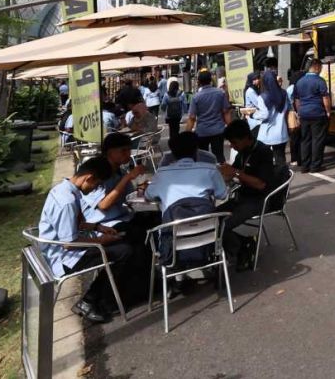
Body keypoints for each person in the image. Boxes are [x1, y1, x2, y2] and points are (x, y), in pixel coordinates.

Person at [37, 156, 130, 323]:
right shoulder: (67, 201)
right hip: (62, 258)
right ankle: (88, 301)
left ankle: (104, 297)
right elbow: (69, 244)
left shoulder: (66, 189)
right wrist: (102, 241)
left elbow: (78, 223)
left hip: (62, 247)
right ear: (88, 178)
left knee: (121, 243)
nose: (95, 189)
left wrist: (98, 228)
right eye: (96, 184)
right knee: (123, 251)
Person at [145, 132, 229, 284]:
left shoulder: (162, 173)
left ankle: (175, 278)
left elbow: (149, 196)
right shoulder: (209, 169)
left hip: (173, 243)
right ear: (196, 149)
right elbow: (223, 195)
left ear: (173, 153)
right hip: (208, 240)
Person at [218, 119, 281, 270]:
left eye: (234, 142)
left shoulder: (263, 152)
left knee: (221, 225)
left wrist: (236, 173)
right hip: (241, 197)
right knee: (209, 219)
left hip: (258, 200)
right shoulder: (242, 152)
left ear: (246, 137)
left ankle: (242, 248)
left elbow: (261, 184)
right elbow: (232, 173)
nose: (232, 146)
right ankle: (239, 243)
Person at [81, 131, 149, 240]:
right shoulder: (98, 174)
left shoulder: (120, 171)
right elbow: (103, 205)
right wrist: (128, 178)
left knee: (156, 218)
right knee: (138, 233)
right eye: (123, 151)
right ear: (109, 152)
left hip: (123, 216)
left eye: (129, 150)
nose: (128, 154)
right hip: (104, 223)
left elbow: (130, 197)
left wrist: (141, 188)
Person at [293, 59, 331, 173]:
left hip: (304, 114)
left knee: (305, 140)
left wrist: (299, 112)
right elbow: (325, 98)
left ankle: (305, 166)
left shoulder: (299, 82)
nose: (321, 70)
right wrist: (328, 111)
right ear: (316, 67)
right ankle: (315, 166)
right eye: (321, 68)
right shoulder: (320, 81)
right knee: (317, 140)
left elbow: (297, 100)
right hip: (317, 113)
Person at [188, 69, 233, 162]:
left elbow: (192, 118)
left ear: (199, 82)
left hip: (202, 131)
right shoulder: (220, 93)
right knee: (219, 155)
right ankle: (221, 174)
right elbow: (226, 112)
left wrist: (186, 134)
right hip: (218, 130)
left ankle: (206, 174)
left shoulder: (196, 97)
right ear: (211, 80)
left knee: (203, 157)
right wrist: (232, 129)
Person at [254, 57, 290, 169]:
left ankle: (270, 183)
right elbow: (287, 108)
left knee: (265, 161)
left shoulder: (263, 97)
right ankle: (283, 181)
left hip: (267, 134)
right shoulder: (284, 93)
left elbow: (264, 115)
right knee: (280, 160)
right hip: (281, 132)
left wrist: (252, 114)